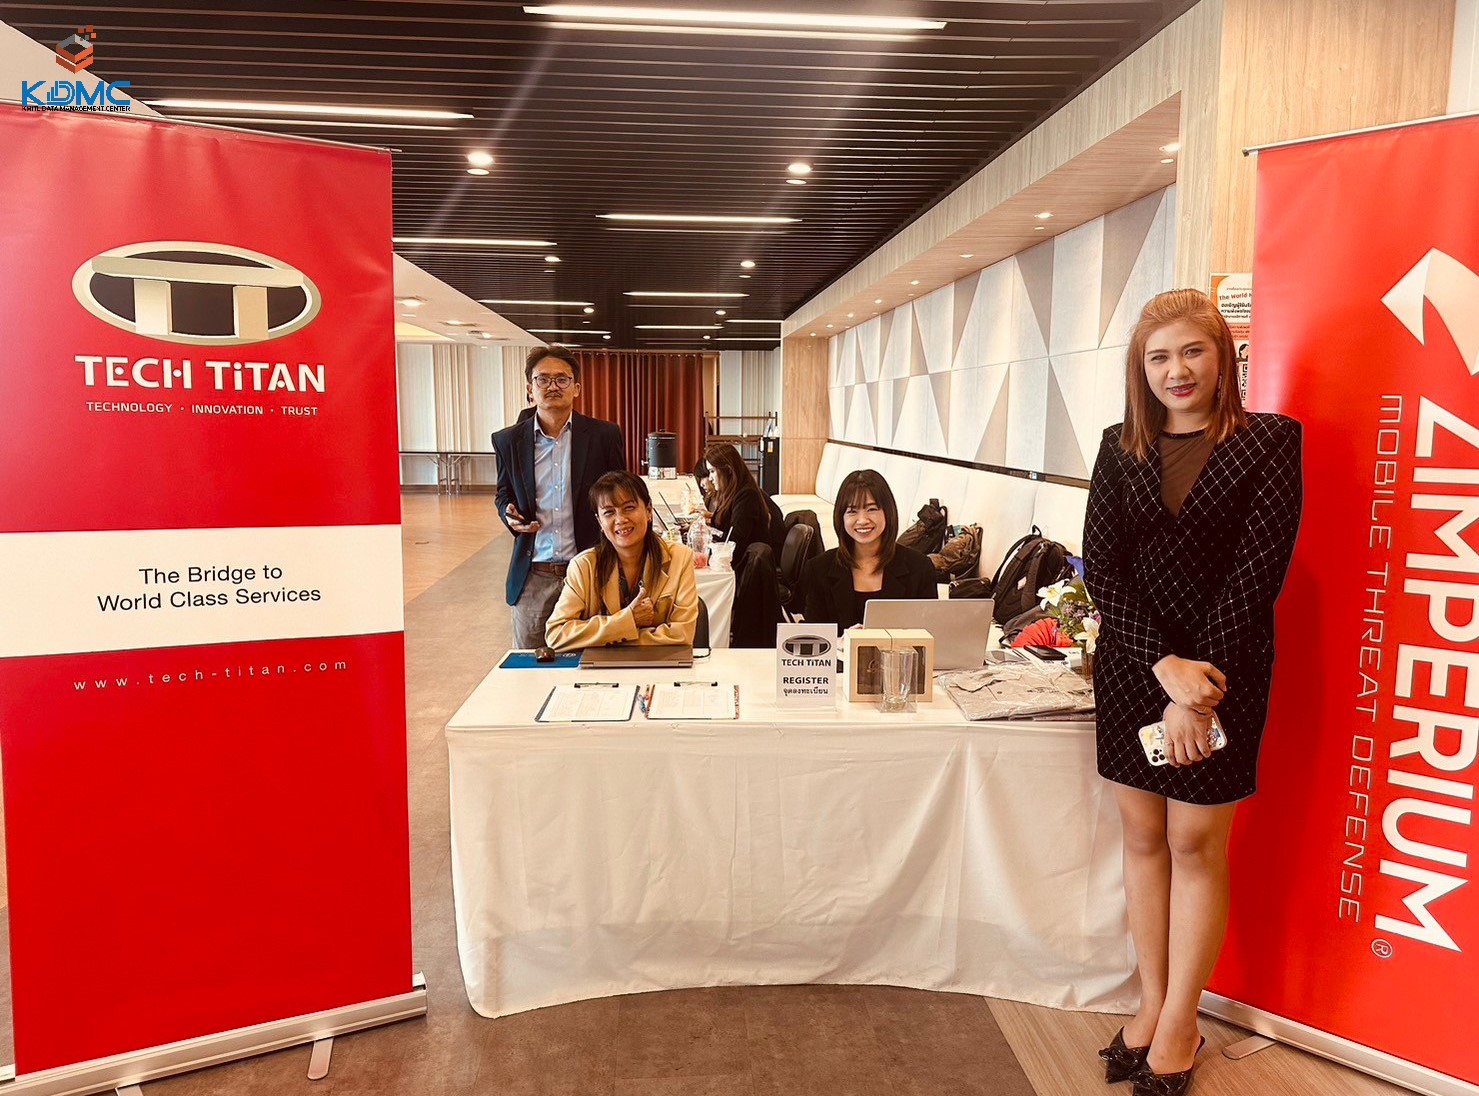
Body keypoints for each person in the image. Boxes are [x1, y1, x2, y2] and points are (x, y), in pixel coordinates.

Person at [1083, 289, 1302, 1096]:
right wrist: (1160, 668)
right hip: (1132, 669)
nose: (1176, 370)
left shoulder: (1269, 441)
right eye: (1158, 357)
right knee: (1142, 839)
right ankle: (1149, 1005)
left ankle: (1181, 1020)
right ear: (1139, 369)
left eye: (1191, 351)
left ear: (1221, 358)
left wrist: (1193, 688)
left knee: (1192, 845)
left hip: (1224, 669)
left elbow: (1256, 574)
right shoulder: (1118, 448)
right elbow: (1102, 569)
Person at [491, 346, 626, 650]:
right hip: (534, 575)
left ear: (576, 388)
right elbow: (503, 492)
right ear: (530, 389)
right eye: (543, 379)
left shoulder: (603, 436)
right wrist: (508, 513)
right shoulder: (508, 441)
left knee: (593, 659)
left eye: (562, 379)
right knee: (531, 662)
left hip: (591, 571)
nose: (552, 386)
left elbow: (620, 492)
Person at [545, 471, 699, 650]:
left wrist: (608, 638)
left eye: (629, 508)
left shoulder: (680, 558)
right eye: (609, 512)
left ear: (649, 511)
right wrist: (628, 621)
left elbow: (682, 634)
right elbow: (557, 635)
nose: (620, 519)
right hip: (599, 667)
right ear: (600, 522)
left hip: (658, 663)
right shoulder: (584, 566)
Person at [800, 469, 937, 630]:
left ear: (888, 512)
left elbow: (930, 635)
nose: (863, 520)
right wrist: (843, 641)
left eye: (871, 509)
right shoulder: (818, 569)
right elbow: (816, 638)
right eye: (852, 511)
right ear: (841, 517)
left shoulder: (920, 568)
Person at [702, 442, 784, 562]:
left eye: (712, 471)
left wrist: (705, 536)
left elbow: (734, 542)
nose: (710, 478)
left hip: (743, 564)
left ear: (728, 470)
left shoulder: (746, 496)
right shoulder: (732, 492)